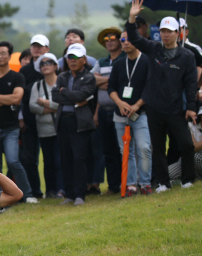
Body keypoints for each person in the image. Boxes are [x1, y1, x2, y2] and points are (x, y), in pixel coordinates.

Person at [127, 1, 198, 191]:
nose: (165, 34)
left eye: (169, 31)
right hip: (155, 107)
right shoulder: (154, 48)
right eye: (163, 31)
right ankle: (163, 182)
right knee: (157, 148)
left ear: (177, 33)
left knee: (186, 145)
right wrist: (132, 17)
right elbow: (134, 38)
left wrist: (191, 107)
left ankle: (188, 179)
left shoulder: (187, 56)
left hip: (176, 109)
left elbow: (191, 84)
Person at [0, 41, 37, 203]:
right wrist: (7, 100)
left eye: (3, 53)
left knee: (13, 161)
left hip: (11, 128)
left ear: (9, 56)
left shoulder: (17, 77)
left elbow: (17, 99)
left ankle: (27, 194)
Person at [51, 43, 97, 206]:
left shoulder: (89, 77)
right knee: (66, 159)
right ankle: (69, 194)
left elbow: (83, 94)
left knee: (79, 158)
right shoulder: (62, 76)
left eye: (77, 57)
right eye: (70, 57)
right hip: (64, 121)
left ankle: (80, 195)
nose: (73, 60)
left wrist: (65, 92)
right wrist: (73, 96)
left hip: (80, 123)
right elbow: (55, 96)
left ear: (84, 59)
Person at [108, 30, 152, 196]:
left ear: (137, 40)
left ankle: (146, 183)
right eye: (123, 40)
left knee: (144, 147)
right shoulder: (119, 63)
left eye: (129, 39)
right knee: (126, 150)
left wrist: (137, 105)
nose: (125, 43)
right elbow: (111, 87)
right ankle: (131, 184)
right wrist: (119, 102)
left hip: (141, 113)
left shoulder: (147, 61)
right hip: (120, 114)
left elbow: (150, 87)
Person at [93, 26, 125, 195]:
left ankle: (126, 182)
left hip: (120, 110)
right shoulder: (101, 62)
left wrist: (104, 82)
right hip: (104, 111)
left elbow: (123, 82)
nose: (110, 41)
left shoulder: (125, 59)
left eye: (113, 37)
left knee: (123, 148)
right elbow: (92, 80)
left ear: (120, 40)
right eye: (106, 39)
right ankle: (113, 186)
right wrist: (112, 82)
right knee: (108, 150)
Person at [19, 34, 50, 199]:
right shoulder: (25, 70)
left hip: (48, 120)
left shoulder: (52, 67)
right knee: (29, 158)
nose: (37, 49)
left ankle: (54, 190)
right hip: (29, 120)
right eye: (34, 46)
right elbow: (20, 98)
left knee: (51, 157)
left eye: (40, 46)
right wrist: (21, 118)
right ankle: (35, 191)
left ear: (47, 49)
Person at [29, 53, 63, 199]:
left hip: (60, 128)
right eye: (42, 64)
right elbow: (32, 105)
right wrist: (50, 108)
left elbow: (63, 103)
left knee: (60, 160)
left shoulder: (62, 82)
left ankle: (62, 189)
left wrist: (44, 102)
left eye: (49, 62)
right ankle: (50, 190)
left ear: (55, 65)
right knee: (48, 162)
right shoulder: (37, 85)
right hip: (43, 129)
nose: (45, 65)